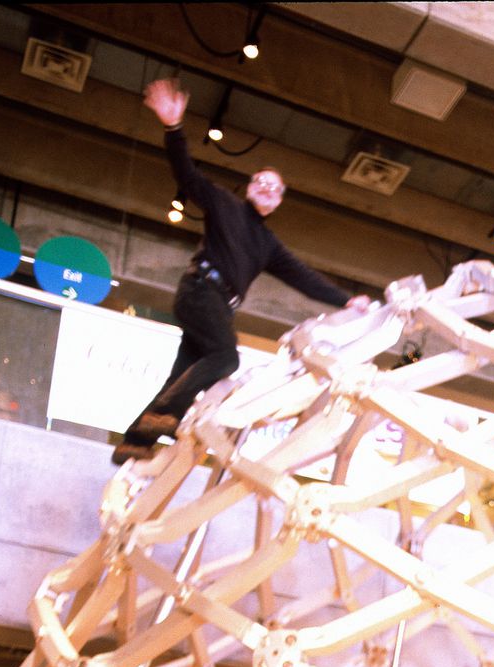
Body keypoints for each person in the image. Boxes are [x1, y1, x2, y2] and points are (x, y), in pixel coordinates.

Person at [114, 79, 369, 465]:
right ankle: (163, 417)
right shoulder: (223, 204)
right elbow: (186, 175)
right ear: (250, 187)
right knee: (225, 357)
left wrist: (346, 299)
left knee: (184, 372)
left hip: (217, 304)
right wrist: (173, 128)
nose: (267, 188)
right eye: (261, 182)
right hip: (201, 290)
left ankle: (135, 444)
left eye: (275, 188)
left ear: (279, 200)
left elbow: (303, 277)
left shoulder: (268, 245)